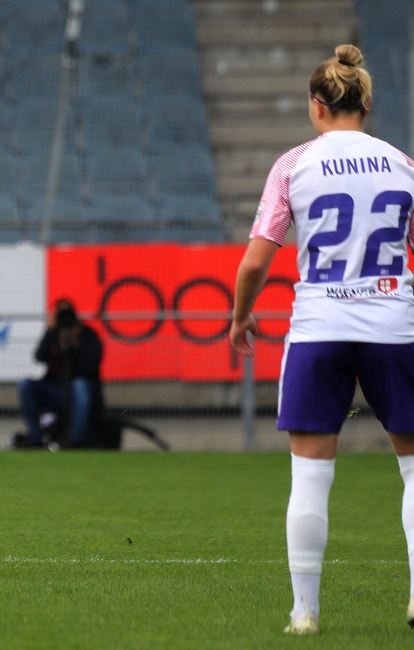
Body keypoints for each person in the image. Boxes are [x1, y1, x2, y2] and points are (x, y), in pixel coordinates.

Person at [230, 44, 414, 634]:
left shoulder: (295, 164)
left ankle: (304, 612)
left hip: (320, 330)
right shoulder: (402, 164)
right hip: (394, 327)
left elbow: (257, 262)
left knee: (310, 476)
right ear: (366, 102)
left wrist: (240, 316)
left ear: (317, 107)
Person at [16, 298, 103, 448]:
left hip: (79, 392)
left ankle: (76, 439)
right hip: (55, 390)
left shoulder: (87, 334)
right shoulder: (53, 335)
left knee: (79, 385)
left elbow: (91, 365)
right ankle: (36, 438)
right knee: (26, 384)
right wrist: (50, 332)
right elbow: (39, 356)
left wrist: (76, 345)